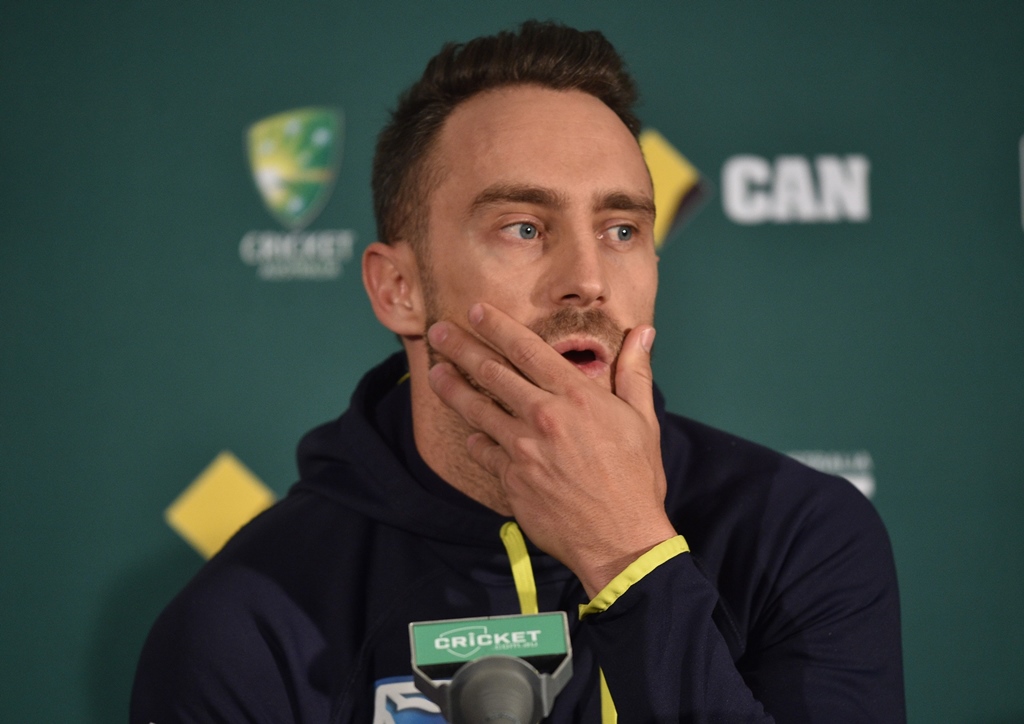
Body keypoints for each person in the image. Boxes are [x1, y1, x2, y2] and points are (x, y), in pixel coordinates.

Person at [132, 20, 905, 723]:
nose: (588, 279)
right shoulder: (245, 625)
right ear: (396, 289)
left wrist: (630, 560)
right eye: (525, 227)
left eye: (622, 228)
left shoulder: (799, 534)